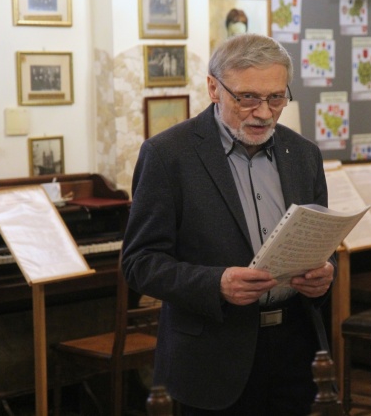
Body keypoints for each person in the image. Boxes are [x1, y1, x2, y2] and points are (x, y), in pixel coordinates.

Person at [122, 33, 336, 416]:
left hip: (297, 350)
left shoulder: (304, 155)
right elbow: (139, 262)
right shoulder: (168, 156)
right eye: (248, 97)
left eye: (276, 98)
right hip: (212, 355)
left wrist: (324, 274)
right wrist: (216, 283)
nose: (264, 113)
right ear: (213, 88)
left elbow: (319, 243)